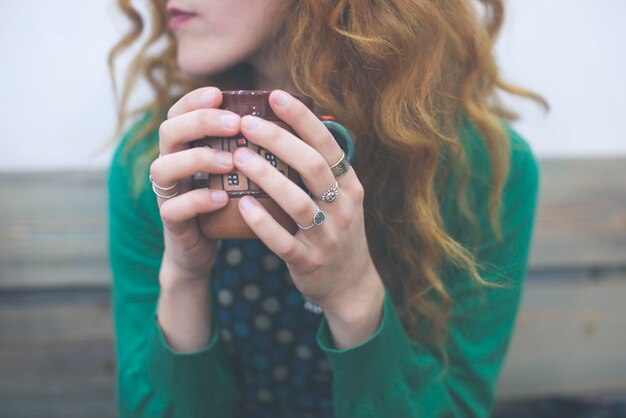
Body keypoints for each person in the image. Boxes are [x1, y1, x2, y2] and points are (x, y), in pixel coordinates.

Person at [108, 1, 545, 417]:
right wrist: (183, 277)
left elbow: (458, 407)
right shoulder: (164, 162)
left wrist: (352, 295)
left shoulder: (479, 169)